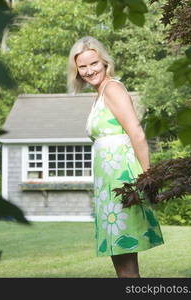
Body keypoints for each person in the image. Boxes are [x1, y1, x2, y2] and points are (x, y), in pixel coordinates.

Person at [67, 36, 164, 278]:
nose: (89, 71)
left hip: (121, 180)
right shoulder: (99, 94)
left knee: (125, 259)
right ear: (76, 70)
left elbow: (137, 133)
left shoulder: (112, 88)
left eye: (94, 63)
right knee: (121, 261)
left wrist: (147, 177)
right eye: (83, 66)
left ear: (104, 62)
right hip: (107, 184)